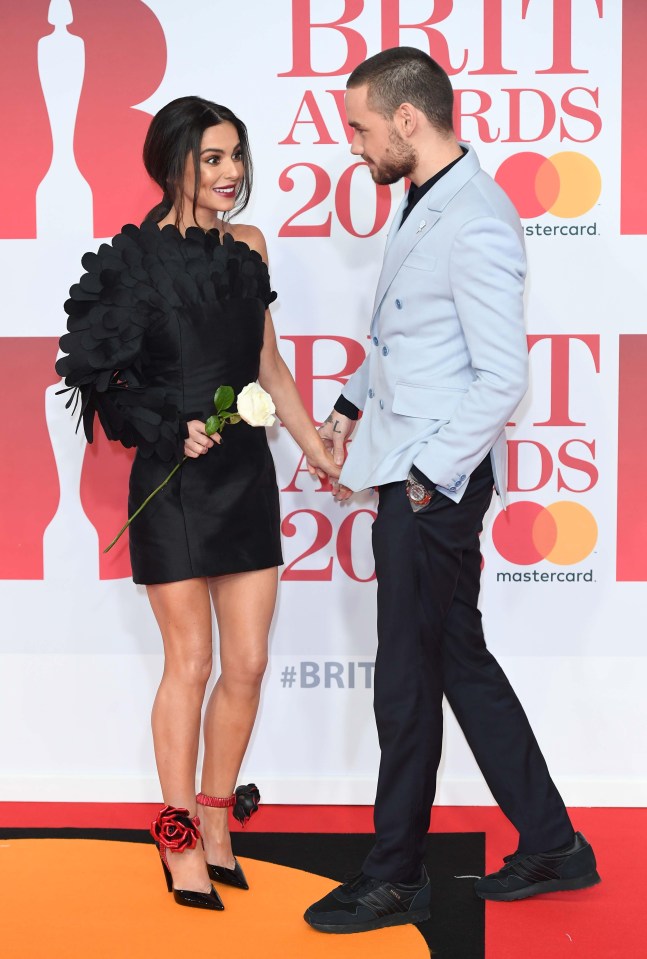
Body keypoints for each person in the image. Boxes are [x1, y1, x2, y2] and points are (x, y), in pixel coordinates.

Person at [304, 48, 600, 935]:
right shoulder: (427, 198)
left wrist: (431, 479)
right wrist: (351, 404)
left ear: (406, 119)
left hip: (430, 483)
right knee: (455, 663)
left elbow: (500, 375)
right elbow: (407, 333)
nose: (352, 145)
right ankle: (552, 843)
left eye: (358, 127)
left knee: (405, 678)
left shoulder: (473, 217)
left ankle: (394, 874)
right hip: (413, 466)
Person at [56, 95, 338, 911]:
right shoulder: (133, 259)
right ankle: (175, 829)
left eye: (236, 157)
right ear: (174, 162)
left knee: (246, 663)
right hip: (174, 480)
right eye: (212, 158)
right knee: (193, 662)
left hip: (246, 470)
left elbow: (269, 366)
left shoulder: (249, 246)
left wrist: (316, 448)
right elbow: (96, 374)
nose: (231, 173)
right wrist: (166, 428)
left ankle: (216, 820)